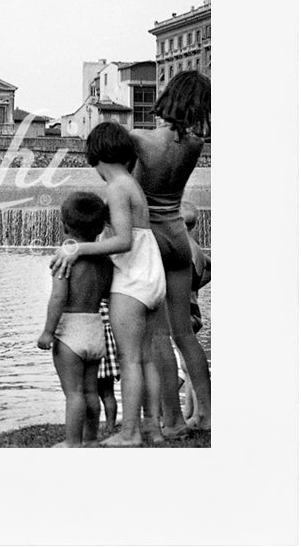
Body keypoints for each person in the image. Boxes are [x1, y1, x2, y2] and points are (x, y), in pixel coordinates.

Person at [50, 122, 166, 447]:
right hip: (151, 274)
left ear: (96, 156)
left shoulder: (116, 187)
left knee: (130, 360)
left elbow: (125, 241)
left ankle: (129, 433)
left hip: (133, 278)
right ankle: (153, 429)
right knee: (145, 359)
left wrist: (78, 248)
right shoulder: (132, 184)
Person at [130, 70, 212, 433]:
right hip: (179, 236)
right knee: (185, 333)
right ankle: (207, 415)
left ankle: (174, 419)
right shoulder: (195, 143)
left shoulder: (141, 140)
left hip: (152, 239)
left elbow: (129, 192)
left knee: (157, 334)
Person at [37, 192, 112, 447]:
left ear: (65, 225)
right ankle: (91, 438)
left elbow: (58, 298)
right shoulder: (105, 259)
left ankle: (72, 443)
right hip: (95, 327)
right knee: (91, 390)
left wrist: (48, 332)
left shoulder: (65, 255)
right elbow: (106, 294)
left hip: (71, 331)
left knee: (74, 393)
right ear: (101, 226)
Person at [178, 202, 211, 422]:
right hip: (193, 305)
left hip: (184, 308)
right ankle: (190, 410)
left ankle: (198, 412)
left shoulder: (183, 248)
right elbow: (211, 267)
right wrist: (196, 286)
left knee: (187, 363)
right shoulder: (195, 246)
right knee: (186, 364)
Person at [97, 299, 120, 435]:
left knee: (89, 392)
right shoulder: (109, 303)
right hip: (109, 349)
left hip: (92, 341)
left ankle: (91, 426)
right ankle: (110, 426)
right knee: (108, 393)